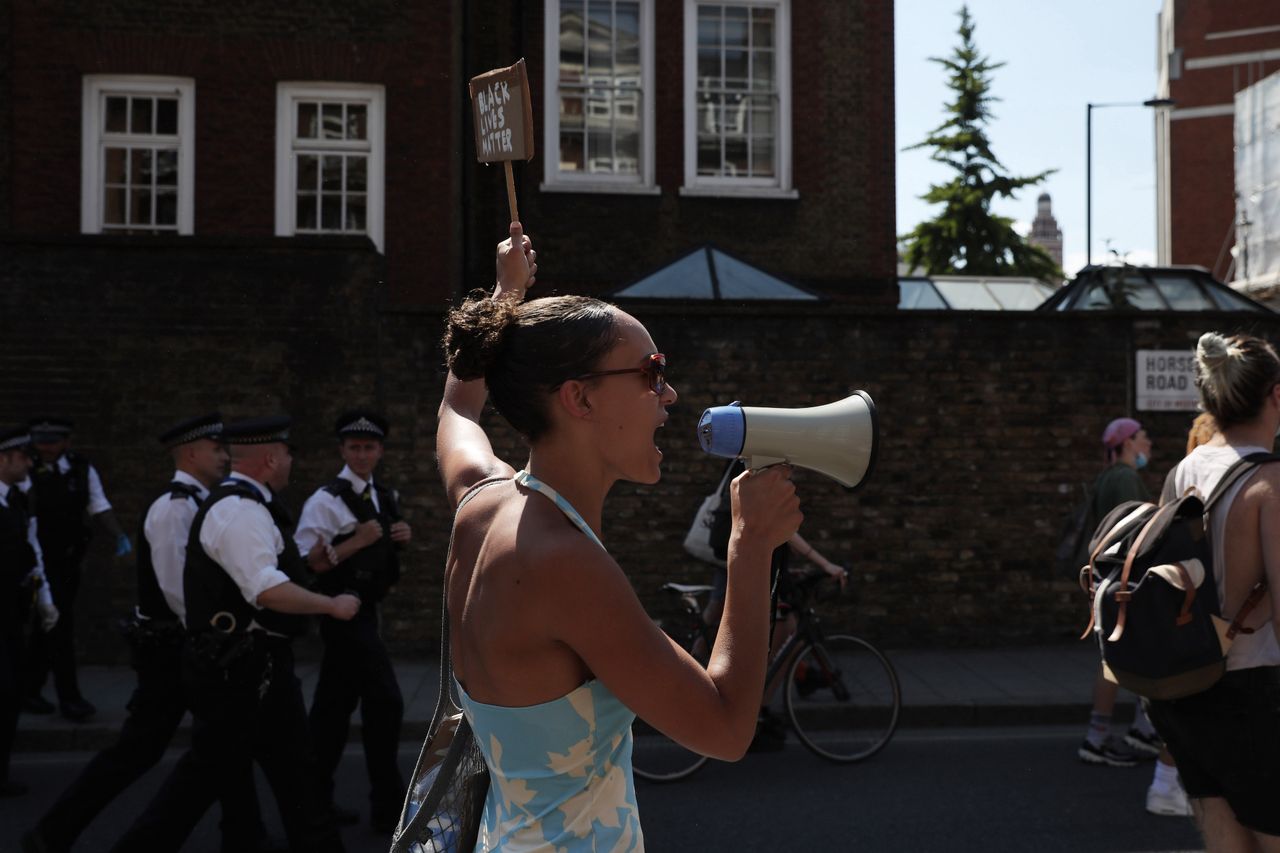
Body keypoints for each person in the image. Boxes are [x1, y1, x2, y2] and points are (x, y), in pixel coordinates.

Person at [435, 223, 802, 850]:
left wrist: (505, 296)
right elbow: (726, 728)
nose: (670, 394)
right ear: (579, 397)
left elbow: (457, 411)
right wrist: (749, 545)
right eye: (651, 372)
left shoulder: (481, 499)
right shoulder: (565, 566)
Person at [22, 413, 273, 853]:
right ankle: (53, 833)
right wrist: (216, 635)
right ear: (191, 453)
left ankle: (244, 833)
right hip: (173, 650)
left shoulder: (202, 501)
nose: (224, 457)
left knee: (224, 742)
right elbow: (181, 592)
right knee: (142, 751)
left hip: (192, 646)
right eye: (217, 450)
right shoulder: (175, 507)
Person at [109, 416, 358, 853]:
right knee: (200, 782)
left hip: (257, 666)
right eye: (286, 454)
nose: (290, 462)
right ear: (269, 458)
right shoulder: (238, 510)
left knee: (294, 774)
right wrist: (330, 605)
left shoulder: (248, 505)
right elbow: (265, 589)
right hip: (240, 670)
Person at [1145, 332, 1280, 850]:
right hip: (1254, 688)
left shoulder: (1186, 469)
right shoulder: (1269, 481)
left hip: (1187, 687)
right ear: (1276, 395)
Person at [295, 409, 411, 833]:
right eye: (354, 447)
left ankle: (314, 806)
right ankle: (388, 807)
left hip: (367, 612)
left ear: (380, 450)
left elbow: (383, 557)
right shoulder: (325, 500)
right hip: (341, 614)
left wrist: (400, 537)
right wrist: (354, 543)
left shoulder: (384, 495)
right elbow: (307, 565)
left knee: (330, 713)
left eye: (369, 447)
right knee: (387, 702)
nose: (362, 454)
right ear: (342, 449)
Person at [693, 458, 848, 749]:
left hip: (736, 562)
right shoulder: (757, 478)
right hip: (741, 564)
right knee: (777, 633)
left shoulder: (745, 469)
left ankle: (749, 703)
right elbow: (787, 534)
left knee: (768, 628)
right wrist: (824, 564)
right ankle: (754, 708)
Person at [23, 416, 131, 722]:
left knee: (50, 624)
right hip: (34, 558)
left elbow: (98, 505)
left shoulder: (82, 468)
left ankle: (29, 689)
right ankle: (69, 697)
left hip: (67, 558)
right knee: (59, 625)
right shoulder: (25, 466)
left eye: (52, 442)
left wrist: (118, 533)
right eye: (40, 442)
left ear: (66, 442)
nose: (45, 448)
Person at [1077, 416, 1163, 767]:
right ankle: (1098, 738)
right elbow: (1134, 533)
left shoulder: (1111, 477)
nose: (1149, 445)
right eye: (1144, 437)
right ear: (1128, 442)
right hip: (1122, 582)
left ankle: (1142, 729)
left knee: (1137, 655)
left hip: (1110, 580)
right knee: (1115, 660)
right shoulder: (1125, 478)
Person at [0, 425, 58, 797]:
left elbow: (30, 553)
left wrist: (43, 599)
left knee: (10, 694)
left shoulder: (17, 502)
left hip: (10, 614)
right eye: (22, 456)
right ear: (3, 459)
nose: (28, 463)